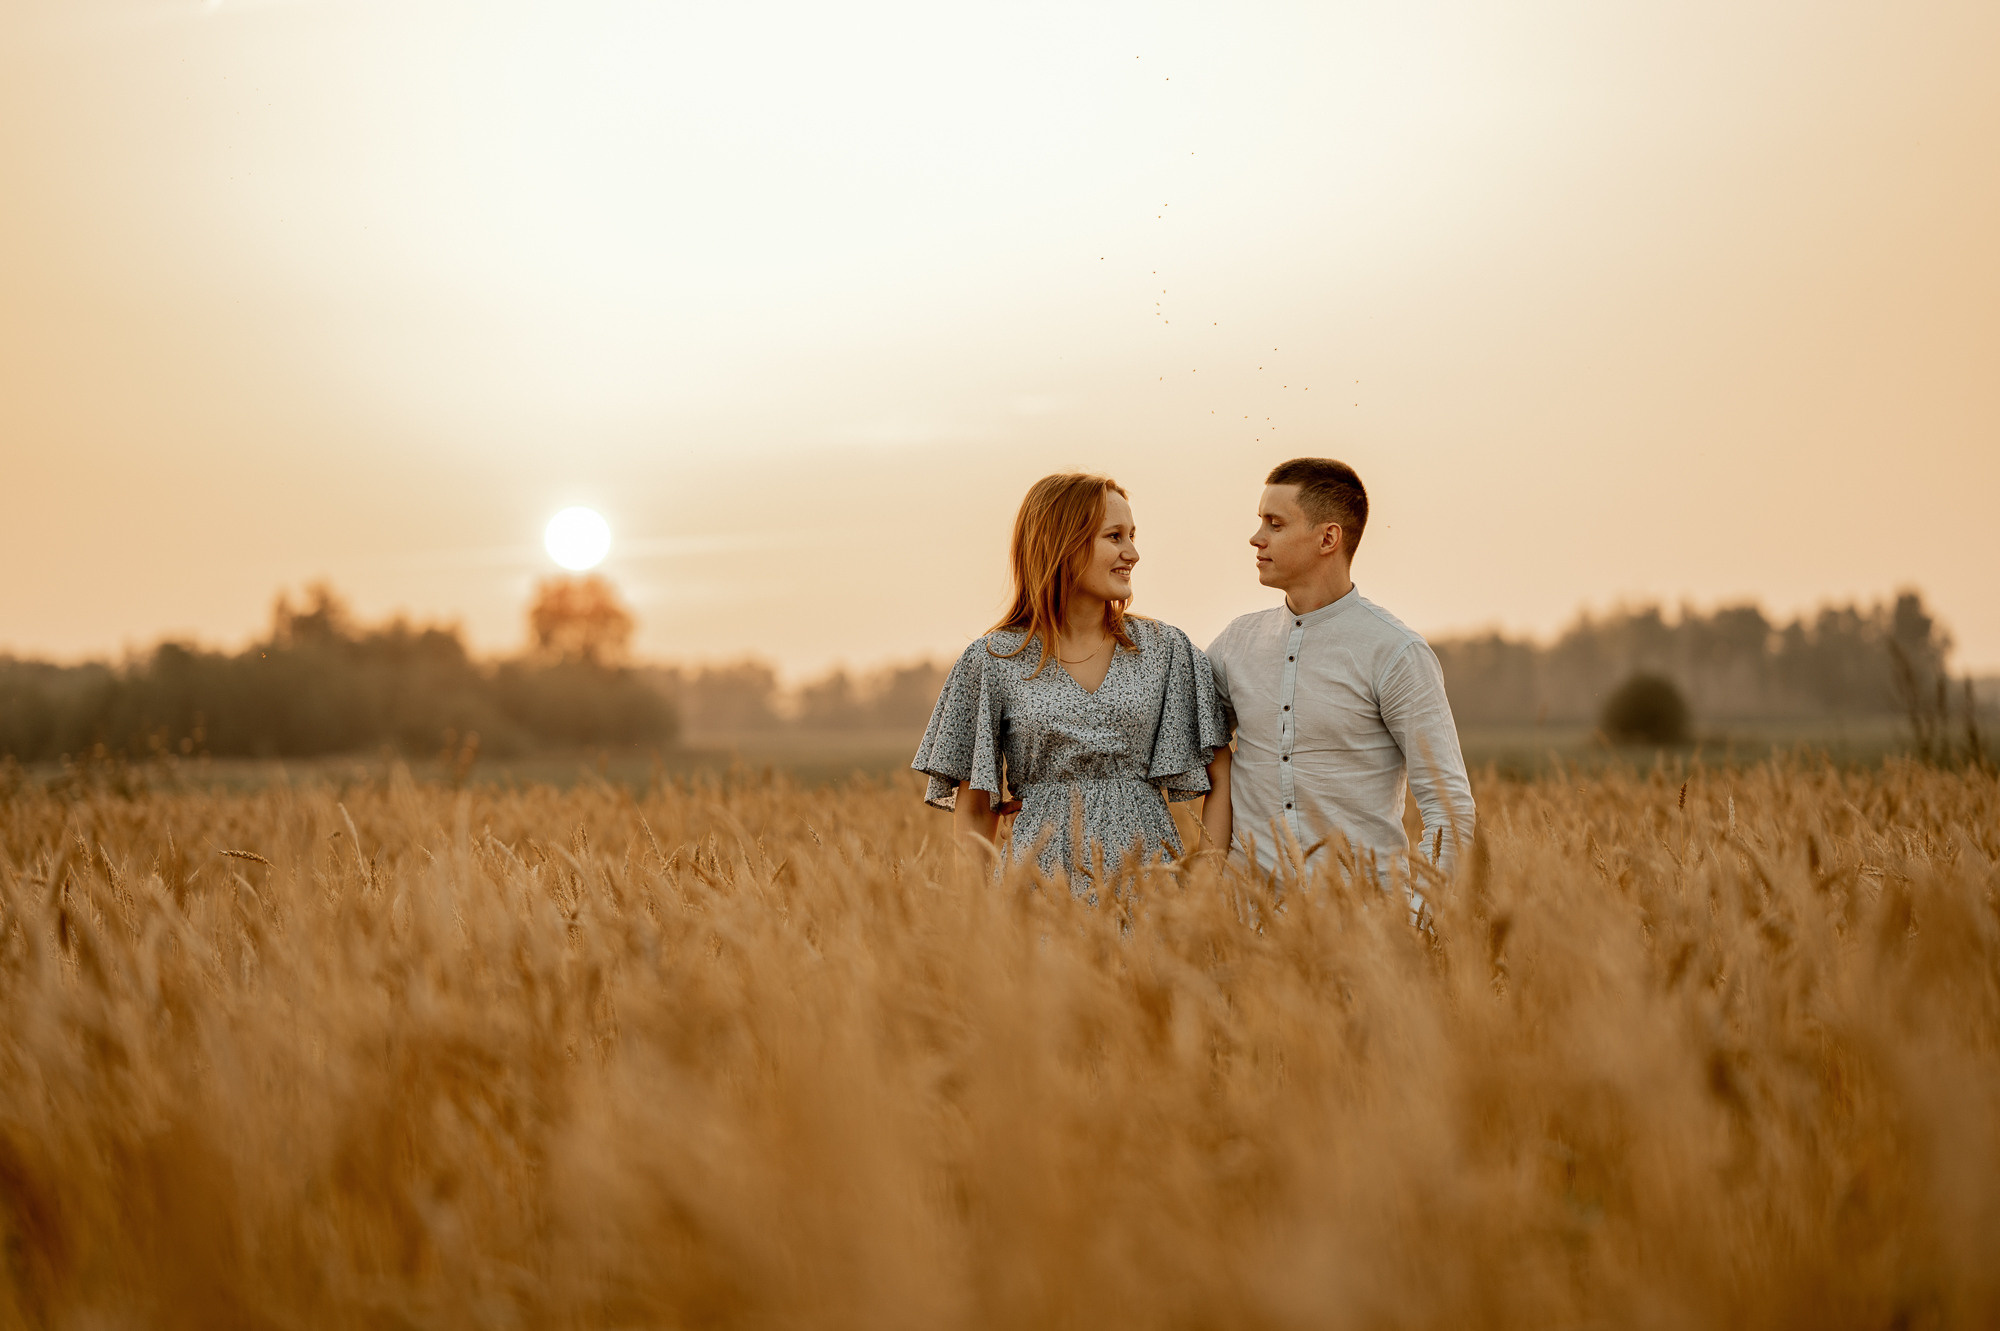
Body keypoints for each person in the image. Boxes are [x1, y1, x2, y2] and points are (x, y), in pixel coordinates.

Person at [912, 473, 1231, 883]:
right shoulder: (992, 660)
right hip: (1037, 891)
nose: (1132, 552)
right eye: (1114, 536)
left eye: (1132, 535)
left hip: (1152, 890)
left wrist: (1204, 883)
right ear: (1061, 543)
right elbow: (974, 809)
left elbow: (1220, 773)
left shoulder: (1166, 649)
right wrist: (980, 925)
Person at [1203, 458, 1474, 885]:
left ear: (1328, 537)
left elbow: (1449, 806)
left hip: (1363, 920)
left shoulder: (1395, 651)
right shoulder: (1237, 643)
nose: (1256, 538)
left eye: (1275, 524)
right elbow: (1175, 730)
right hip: (1249, 924)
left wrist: (1423, 919)